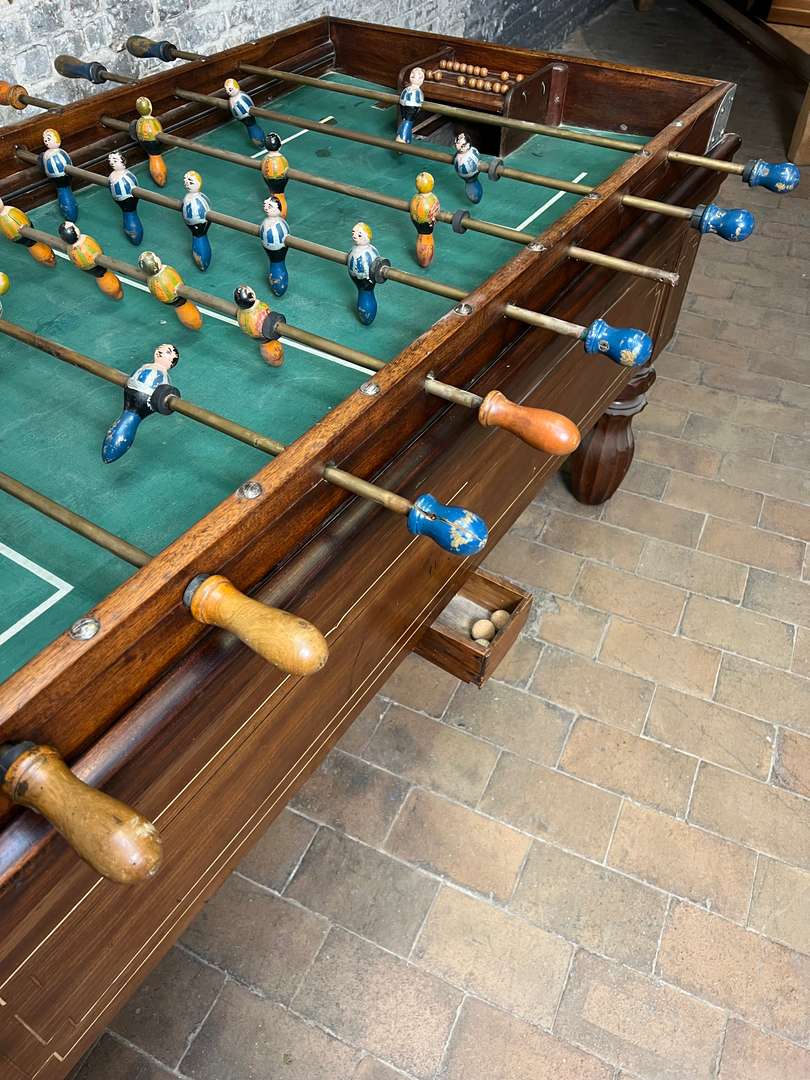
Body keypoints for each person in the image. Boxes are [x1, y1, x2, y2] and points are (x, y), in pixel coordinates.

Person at [102, 344, 180, 462]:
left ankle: (110, 453)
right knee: (129, 419)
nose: (159, 350)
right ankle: (110, 454)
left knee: (129, 419)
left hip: (141, 397)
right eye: (160, 348)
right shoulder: (150, 369)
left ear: (171, 362)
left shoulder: (162, 376)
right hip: (137, 395)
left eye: (167, 352)